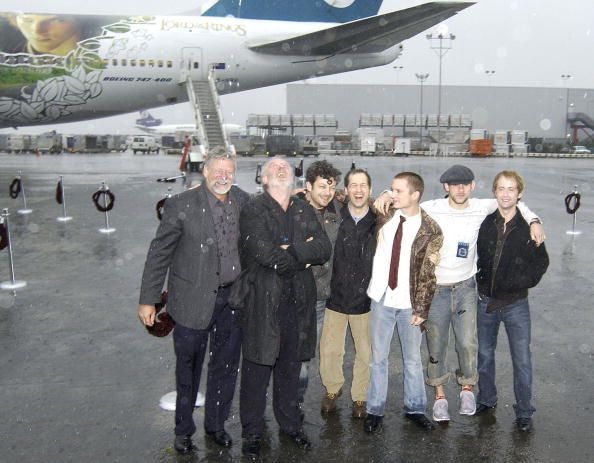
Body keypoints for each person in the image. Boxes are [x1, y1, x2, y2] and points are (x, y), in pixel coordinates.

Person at [374, 164, 545, 422]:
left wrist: (534, 220)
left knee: (467, 343)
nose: (460, 189)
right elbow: (406, 200)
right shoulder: (432, 207)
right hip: (437, 289)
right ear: (446, 187)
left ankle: (467, 388)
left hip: (466, 287)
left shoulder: (481, 207)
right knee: (436, 344)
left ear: (473, 186)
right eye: (454, 185)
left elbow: (514, 203)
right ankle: (440, 396)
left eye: (465, 184)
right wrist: (388, 193)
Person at [137, 147, 249, 455]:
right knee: (188, 369)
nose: (223, 177)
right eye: (218, 171)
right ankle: (183, 431)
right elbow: (159, 253)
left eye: (229, 171)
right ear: (205, 171)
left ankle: (216, 425)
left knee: (225, 367)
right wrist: (148, 299)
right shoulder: (180, 204)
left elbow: (271, 215)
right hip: (191, 300)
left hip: (232, 299)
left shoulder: (244, 201)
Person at [238, 157, 331, 460]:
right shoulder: (253, 208)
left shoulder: (303, 209)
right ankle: (252, 432)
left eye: (286, 168)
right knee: (256, 370)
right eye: (274, 168)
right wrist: (300, 257)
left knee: (290, 369)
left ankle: (290, 425)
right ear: (264, 179)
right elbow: (261, 250)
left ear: (294, 178)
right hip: (263, 303)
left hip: (298, 303)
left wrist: (290, 251)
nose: (281, 169)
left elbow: (323, 248)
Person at [364, 172, 443, 433]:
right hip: (381, 298)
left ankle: (416, 409)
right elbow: (353, 196)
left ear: (415, 195)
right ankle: (375, 409)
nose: (393, 194)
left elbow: (429, 274)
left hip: (410, 304)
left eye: (399, 190)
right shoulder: (385, 212)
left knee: (412, 359)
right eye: (392, 189)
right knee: (378, 358)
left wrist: (422, 308)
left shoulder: (430, 230)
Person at [475, 170, 549, 432]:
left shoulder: (528, 227)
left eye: (511, 189)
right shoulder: (485, 222)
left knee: (522, 359)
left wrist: (518, 283)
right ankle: (486, 399)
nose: (506, 194)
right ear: (494, 192)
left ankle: (525, 411)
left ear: (520, 193)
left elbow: (541, 262)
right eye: (501, 189)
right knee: (484, 355)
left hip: (516, 304)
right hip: (485, 301)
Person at [319, 169, 376, 419]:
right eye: (353, 185)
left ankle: (360, 396)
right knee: (330, 350)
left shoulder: (379, 218)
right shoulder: (334, 215)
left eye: (363, 185)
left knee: (365, 352)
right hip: (335, 294)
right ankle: (332, 389)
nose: (358, 190)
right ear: (346, 189)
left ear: (370, 190)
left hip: (366, 298)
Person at [297, 160, 343, 411]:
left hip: (325, 296)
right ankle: (293, 402)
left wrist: (386, 194)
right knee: (298, 354)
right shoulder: (294, 210)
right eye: (322, 187)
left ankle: (302, 399)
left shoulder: (337, 209)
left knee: (318, 353)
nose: (327, 193)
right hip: (299, 295)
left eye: (331, 187)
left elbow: (362, 202)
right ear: (308, 186)